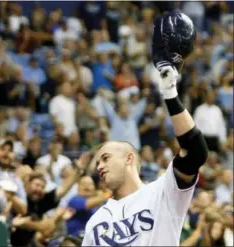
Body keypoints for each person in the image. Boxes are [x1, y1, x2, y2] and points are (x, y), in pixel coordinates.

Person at [82, 12, 208, 246]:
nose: (99, 165)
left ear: (130, 158)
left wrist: (169, 93)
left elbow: (196, 152)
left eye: (106, 158)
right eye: (98, 161)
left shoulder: (163, 193)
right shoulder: (94, 223)